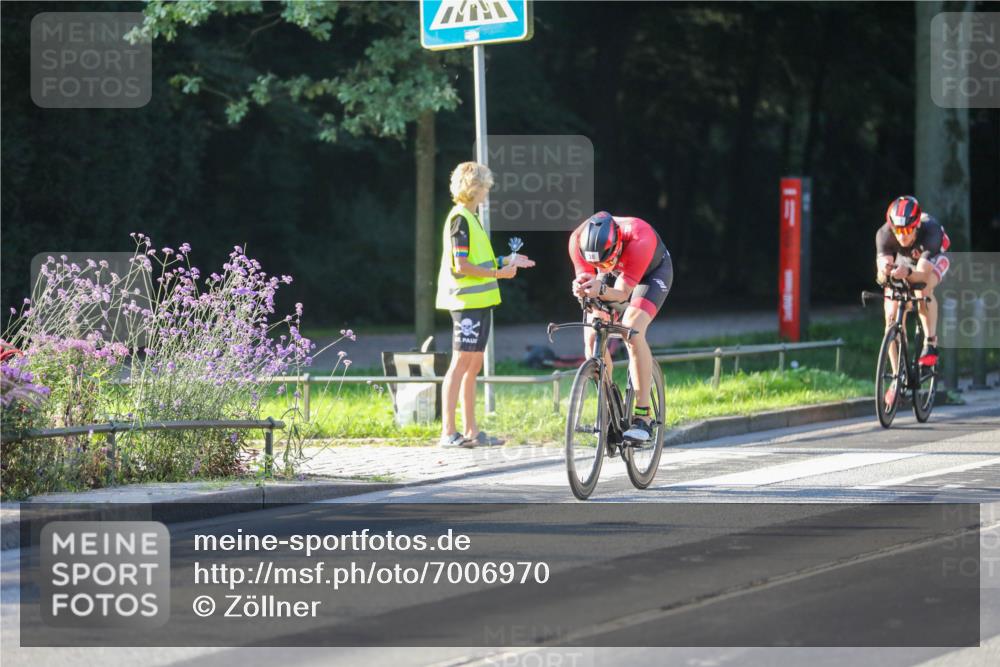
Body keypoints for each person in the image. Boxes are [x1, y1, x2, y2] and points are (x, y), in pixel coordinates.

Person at [436, 162, 535, 448]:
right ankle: (448, 433)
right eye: (485, 187)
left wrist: (506, 261)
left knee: (473, 365)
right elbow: (461, 265)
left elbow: (476, 261)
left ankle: (471, 432)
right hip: (466, 303)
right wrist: (499, 273)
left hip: (480, 303)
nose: (488, 193)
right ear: (474, 187)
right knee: (460, 364)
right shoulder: (460, 219)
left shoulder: (470, 217)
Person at [568, 211, 673, 441]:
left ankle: (643, 416)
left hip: (650, 274)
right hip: (610, 277)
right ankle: (607, 409)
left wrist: (602, 289)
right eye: (597, 263)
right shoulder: (577, 241)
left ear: (617, 245)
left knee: (632, 330)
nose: (602, 265)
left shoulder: (639, 237)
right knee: (593, 336)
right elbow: (589, 280)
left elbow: (622, 293)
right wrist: (581, 286)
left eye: (606, 260)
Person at [875, 195, 950, 406]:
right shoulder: (884, 235)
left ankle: (930, 342)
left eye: (907, 230)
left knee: (922, 290)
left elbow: (923, 275)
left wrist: (907, 272)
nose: (902, 236)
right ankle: (896, 376)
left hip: (933, 258)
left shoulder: (931, 232)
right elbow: (882, 272)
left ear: (916, 226)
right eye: (898, 231)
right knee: (891, 313)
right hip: (905, 262)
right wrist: (885, 273)